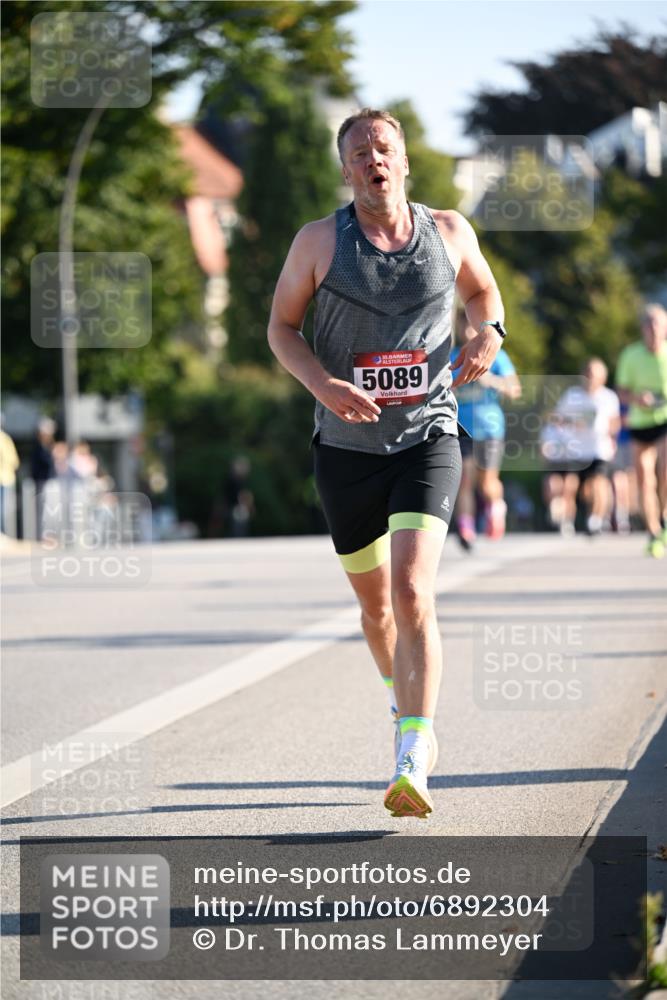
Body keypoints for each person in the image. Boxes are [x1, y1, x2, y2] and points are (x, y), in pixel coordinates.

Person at [267, 108, 507, 819]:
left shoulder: (449, 231)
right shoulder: (319, 241)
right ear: (346, 169)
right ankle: (399, 701)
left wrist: (489, 330)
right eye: (359, 152)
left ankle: (412, 752)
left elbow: (482, 293)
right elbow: (281, 327)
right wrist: (323, 384)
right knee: (375, 610)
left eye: (383, 148)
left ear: (403, 162)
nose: (373, 159)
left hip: (428, 437)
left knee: (410, 590)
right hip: (346, 450)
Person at [450, 313, 521, 549]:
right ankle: (466, 528)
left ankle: (496, 507)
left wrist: (489, 380)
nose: (467, 332)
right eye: (463, 326)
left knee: (487, 482)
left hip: (490, 429)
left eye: (471, 327)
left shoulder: (497, 356)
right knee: (464, 480)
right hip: (461, 429)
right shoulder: (452, 356)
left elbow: (514, 390)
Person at [541, 359, 620, 536]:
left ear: (602, 377)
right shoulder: (572, 395)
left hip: (598, 449)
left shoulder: (608, 397)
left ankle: (595, 520)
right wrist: (574, 423)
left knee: (598, 483)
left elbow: (615, 423)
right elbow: (557, 418)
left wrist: (611, 436)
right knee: (572, 487)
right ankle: (566, 520)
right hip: (575, 450)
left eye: (594, 374)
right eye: (588, 373)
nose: (590, 378)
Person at [615, 303, 667, 558]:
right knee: (645, 480)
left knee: (665, 472)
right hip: (640, 422)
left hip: (665, 419)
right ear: (643, 329)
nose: (653, 329)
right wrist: (639, 399)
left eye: (658, 324)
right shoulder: (631, 355)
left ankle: (664, 517)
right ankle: (654, 533)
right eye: (649, 324)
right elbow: (621, 391)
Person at [0, 416, 20, 536]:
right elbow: (14, 461)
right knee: (4, 508)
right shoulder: (6, 439)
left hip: (4, 479)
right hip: (6, 479)